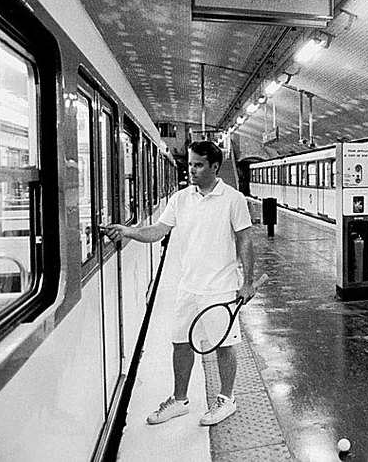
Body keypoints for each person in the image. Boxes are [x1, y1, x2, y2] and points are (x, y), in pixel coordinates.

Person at [104, 141, 257, 426]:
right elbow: (158, 231)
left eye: (198, 165)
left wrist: (247, 282)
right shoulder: (181, 199)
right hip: (188, 287)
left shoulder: (233, 199)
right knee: (181, 343)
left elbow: (245, 239)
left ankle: (226, 400)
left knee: (224, 345)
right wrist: (129, 231)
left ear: (214, 166)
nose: (192, 170)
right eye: (190, 164)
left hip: (220, 288)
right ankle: (180, 400)